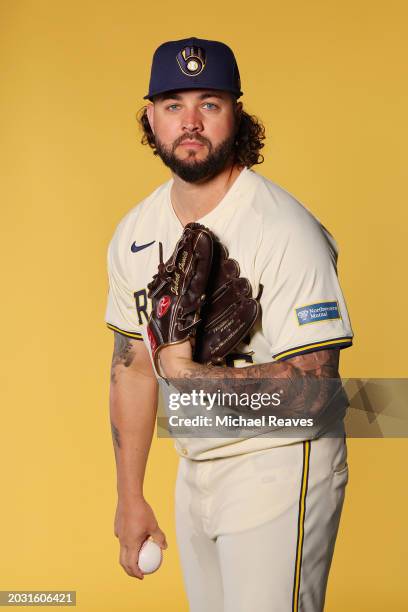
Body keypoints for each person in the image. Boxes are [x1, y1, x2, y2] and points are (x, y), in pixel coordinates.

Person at [105, 36, 354, 612]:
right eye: (173, 105)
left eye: (209, 104)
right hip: (195, 466)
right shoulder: (135, 231)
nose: (190, 122)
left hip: (282, 461)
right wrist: (129, 497)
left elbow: (318, 390)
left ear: (236, 114)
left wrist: (194, 378)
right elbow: (135, 371)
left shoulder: (284, 228)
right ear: (151, 117)